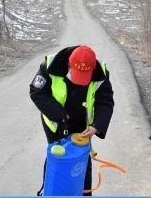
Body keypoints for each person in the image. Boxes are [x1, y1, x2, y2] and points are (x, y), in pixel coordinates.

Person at [30, 45, 114, 196]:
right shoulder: (50, 66)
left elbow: (105, 102)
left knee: (81, 159)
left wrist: (96, 126)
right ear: (69, 64)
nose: (81, 82)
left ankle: (82, 193)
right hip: (56, 124)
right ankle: (52, 191)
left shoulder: (100, 74)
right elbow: (37, 93)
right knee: (58, 157)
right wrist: (60, 115)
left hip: (82, 126)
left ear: (93, 68)